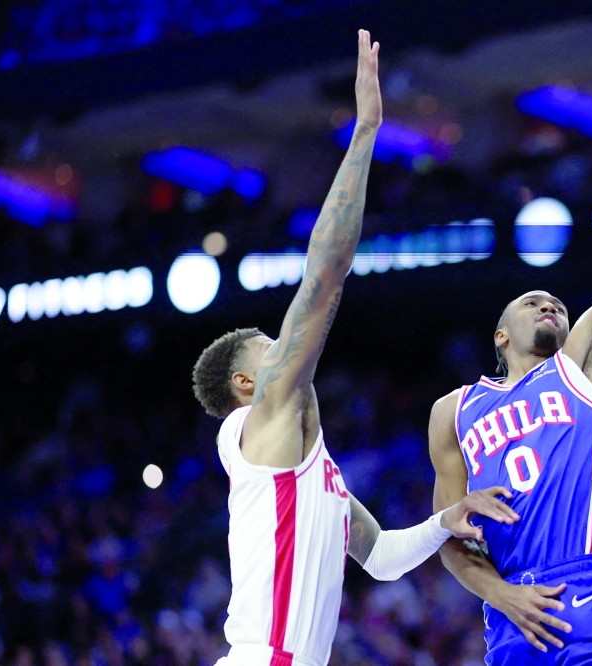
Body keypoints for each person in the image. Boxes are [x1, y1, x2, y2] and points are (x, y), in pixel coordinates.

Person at [191, 31, 519, 666]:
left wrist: (445, 519)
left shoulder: (315, 474)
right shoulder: (259, 423)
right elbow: (323, 275)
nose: (283, 346)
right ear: (245, 386)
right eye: (269, 346)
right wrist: (366, 131)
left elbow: (386, 559)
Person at [429, 119, 592, 664]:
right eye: (532, 301)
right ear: (500, 334)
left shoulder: (582, 372)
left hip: (586, 590)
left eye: (557, 303)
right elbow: (451, 540)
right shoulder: (453, 411)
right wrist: (502, 594)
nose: (548, 304)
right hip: (508, 613)